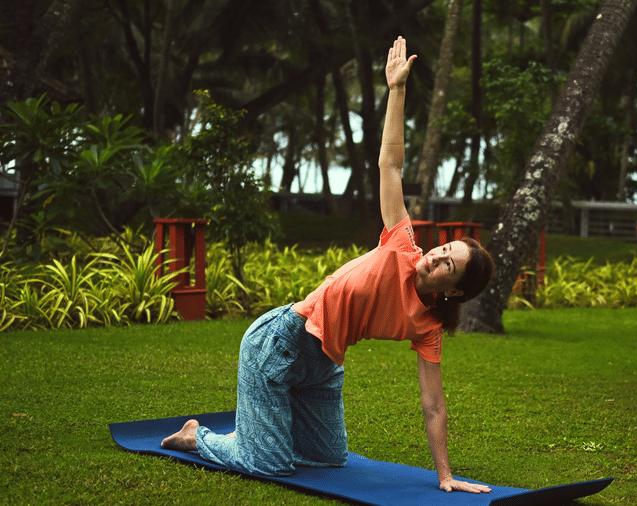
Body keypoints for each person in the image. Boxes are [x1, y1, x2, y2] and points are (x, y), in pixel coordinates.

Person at [161, 36, 494, 495]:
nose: (437, 256)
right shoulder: (401, 243)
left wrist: (445, 476)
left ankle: (261, 430)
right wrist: (396, 90)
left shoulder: (428, 325)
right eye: (445, 249)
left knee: (326, 459)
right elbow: (390, 165)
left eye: (448, 266)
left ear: (452, 291)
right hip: (279, 344)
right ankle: (201, 436)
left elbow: (433, 404)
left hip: (322, 368)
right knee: (270, 465)